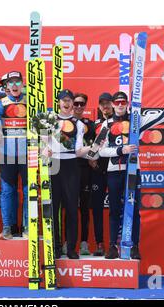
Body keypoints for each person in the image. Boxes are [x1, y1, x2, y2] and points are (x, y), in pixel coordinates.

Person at [99, 88, 164, 259]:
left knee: (134, 209)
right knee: (114, 210)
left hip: (132, 171)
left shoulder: (137, 121)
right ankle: (112, 247)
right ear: (113, 105)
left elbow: (163, 116)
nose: (121, 105)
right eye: (117, 102)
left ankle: (134, 246)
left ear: (128, 104)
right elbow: (100, 152)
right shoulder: (105, 125)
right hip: (114, 171)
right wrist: (121, 149)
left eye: (123, 102)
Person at [48, 89, 92, 259]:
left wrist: (95, 148)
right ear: (58, 102)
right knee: (53, 208)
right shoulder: (50, 120)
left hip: (71, 165)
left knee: (72, 208)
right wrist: (46, 147)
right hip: (54, 165)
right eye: (63, 100)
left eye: (69, 100)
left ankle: (72, 248)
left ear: (73, 103)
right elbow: (44, 142)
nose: (66, 103)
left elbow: (79, 151)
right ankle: (56, 247)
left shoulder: (79, 124)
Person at [0, 71, 28, 240]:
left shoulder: (30, 102)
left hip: (27, 154)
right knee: (7, 192)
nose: (15, 85)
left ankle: (27, 226)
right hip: (7, 155)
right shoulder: (1, 103)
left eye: (18, 82)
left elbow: (42, 125)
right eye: (11, 83)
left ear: (22, 84)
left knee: (28, 191)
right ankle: (7, 228)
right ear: (7, 86)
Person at [89, 92, 114, 256]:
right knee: (97, 208)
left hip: (114, 169)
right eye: (102, 103)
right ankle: (100, 244)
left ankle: (115, 244)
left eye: (108, 103)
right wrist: (91, 158)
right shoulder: (95, 124)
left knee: (116, 208)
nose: (105, 106)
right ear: (98, 106)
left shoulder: (120, 121)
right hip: (97, 170)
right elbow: (90, 144)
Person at [72, 93, 96, 256]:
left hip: (85, 169)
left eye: (82, 104)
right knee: (69, 207)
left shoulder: (90, 124)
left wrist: (92, 159)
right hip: (69, 169)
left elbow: (96, 145)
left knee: (85, 209)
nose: (79, 106)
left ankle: (84, 243)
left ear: (85, 106)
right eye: (76, 103)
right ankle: (68, 243)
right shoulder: (65, 122)